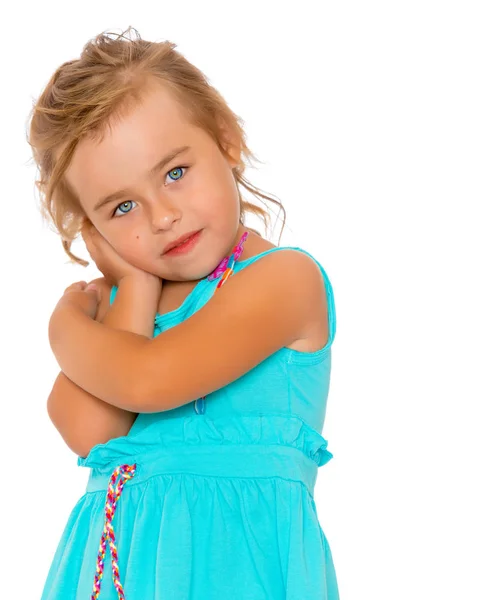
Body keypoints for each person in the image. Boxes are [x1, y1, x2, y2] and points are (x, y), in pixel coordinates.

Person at [29, 27, 340, 600]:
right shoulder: (129, 307)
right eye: (123, 208)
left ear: (225, 141)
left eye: (175, 173)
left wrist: (64, 325)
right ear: (92, 230)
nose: (163, 216)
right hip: (117, 567)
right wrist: (136, 284)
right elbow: (91, 430)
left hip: (238, 570)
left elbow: (149, 380)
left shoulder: (282, 281)